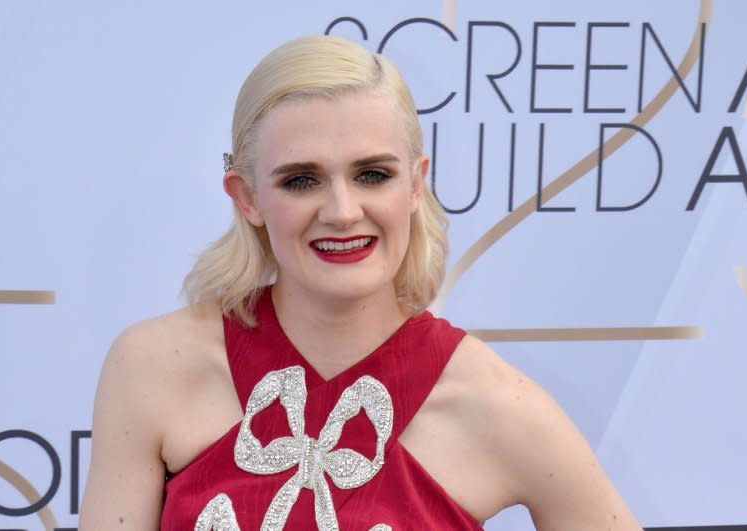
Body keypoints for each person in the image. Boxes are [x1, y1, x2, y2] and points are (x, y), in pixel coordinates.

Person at [79, 35, 641, 530]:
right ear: (247, 197)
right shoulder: (151, 366)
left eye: (372, 174)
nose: (343, 211)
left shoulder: (494, 403)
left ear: (416, 185)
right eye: (302, 180)